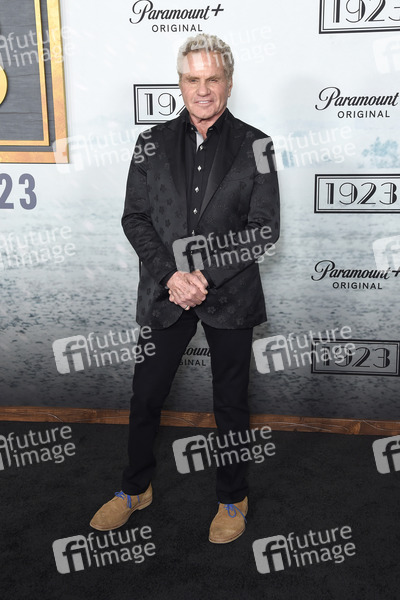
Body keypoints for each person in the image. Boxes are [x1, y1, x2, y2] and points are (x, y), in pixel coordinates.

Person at [90, 33, 280, 544]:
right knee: (146, 395)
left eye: (213, 79)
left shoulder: (258, 146)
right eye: (193, 79)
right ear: (180, 83)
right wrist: (172, 276)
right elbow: (135, 218)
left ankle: (233, 498)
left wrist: (204, 276)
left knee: (231, 402)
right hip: (165, 292)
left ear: (229, 82)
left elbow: (263, 228)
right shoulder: (149, 142)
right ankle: (135, 489)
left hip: (230, 294)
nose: (203, 90)